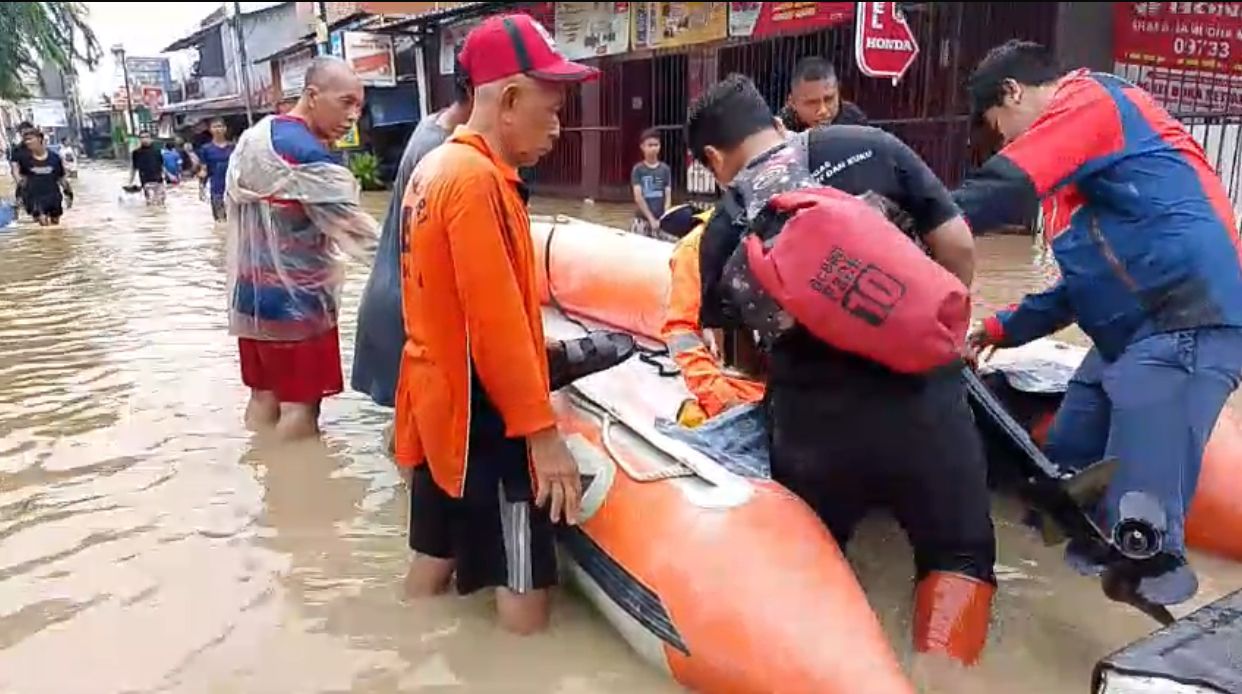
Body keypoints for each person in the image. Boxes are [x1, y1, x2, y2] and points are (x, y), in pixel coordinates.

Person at [689, 74, 993, 665]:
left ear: (712, 159)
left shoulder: (722, 230)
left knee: (819, 559)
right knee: (958, 557)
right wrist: (937, 332)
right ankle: (940, 674)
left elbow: (742, 355)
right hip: (923, 402)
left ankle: (841, 668)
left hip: (812, 427)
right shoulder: (870, 145)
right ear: (778, 123)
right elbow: (958, 245)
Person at [955, 41, 1242, 606]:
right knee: (1061, 472)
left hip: (1188, 321)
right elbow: (1077, 293)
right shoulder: (1073, 192)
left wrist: (917, 217)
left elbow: (1003, 187)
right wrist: (995, 329)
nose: (1010, 144)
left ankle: (1158, 610)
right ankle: (1067, 606)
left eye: (1001, 128)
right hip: (1126, 338)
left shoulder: (1095, 101)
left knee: (1141, 530)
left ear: (1012, 92)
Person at [395, 13, 599, 635]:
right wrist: (541, 437)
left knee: (431, 564)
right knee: (524, 591)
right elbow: (497, 323)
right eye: (552, 109)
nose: (558, 127)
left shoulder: (435, 169)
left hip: (436, 402)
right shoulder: (478, 182)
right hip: (487, 418)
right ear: (508, 100)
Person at [226, 56, 379, 440]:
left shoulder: (254, 137)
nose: (353, 116)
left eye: (359, 106)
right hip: (296, 302)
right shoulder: (308, 155)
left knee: (264, 397)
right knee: (301, 407)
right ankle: (292, 488)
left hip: (251, 298)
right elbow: (361, 235)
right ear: (313, 95)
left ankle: (262, 472)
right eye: (345, 102)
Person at [351, 61, 473, 415]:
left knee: (411, 428)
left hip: (393, 293)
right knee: (418, 430)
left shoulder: (434, 126)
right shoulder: (443, 153)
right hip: (406, 306)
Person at [659, 203, 765, 426]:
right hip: (740, 392)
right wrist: (722, 400)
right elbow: (681, 331)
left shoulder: (793, 226)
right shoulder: (696, 248)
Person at [777, 57, 869, 133]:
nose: (823, 111)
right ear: (792, 103)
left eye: (829, 99)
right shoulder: (780, 127)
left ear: (838, 93)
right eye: (811, 102)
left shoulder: (854, 119)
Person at [15, 129, 71, 226]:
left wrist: (69, 194)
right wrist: (19, 198)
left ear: (39, 139)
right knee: (43, 225)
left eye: (30, 139)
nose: (27, 142)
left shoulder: (55, 158)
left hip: (53, 197)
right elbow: (23, 181)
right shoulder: (24, 159)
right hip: (35, 199)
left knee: (55, 226)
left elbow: (62, 179)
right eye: (25, 140)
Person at [629, 128, 672, 238]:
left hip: (661, 220)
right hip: (642, 220)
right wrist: (651, 219)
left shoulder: (665, 169)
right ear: (642, 147)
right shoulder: (638, 169)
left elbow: (667, 196)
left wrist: (664, 218)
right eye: (650, 145)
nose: (653, 148)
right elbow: (638, 197)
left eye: (656, 145)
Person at [197, 118, 234, 222]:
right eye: (215, 127)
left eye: (220, 126)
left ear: (225, 129)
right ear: (210, 130)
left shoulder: (233, 147)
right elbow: (203, 168)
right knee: (220, 220)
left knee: (233, 219)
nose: (218, 129)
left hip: (232, 187)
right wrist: (202, 186)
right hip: (216, 187)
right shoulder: (206, 149)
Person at [130, 131, 166, 205]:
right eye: (142, 137)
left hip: (159, 181)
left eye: (147, 137)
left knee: (161, 202)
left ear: (151, 139)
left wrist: (167, 177)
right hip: (146, 181)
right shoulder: (136, 153)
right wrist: (131, 182)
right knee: (150, 202)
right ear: (139, 140)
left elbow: (162, 165)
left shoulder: (158, 151)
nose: (144, 139)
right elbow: (134, 168)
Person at [9, 121, 36, 218]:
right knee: (18, 211)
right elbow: (14, 169)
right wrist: (20, 182)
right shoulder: (16, 150)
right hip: (24, 183)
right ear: (20, 134)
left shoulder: (39, 147)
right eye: (24, 133)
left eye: (29, 133)